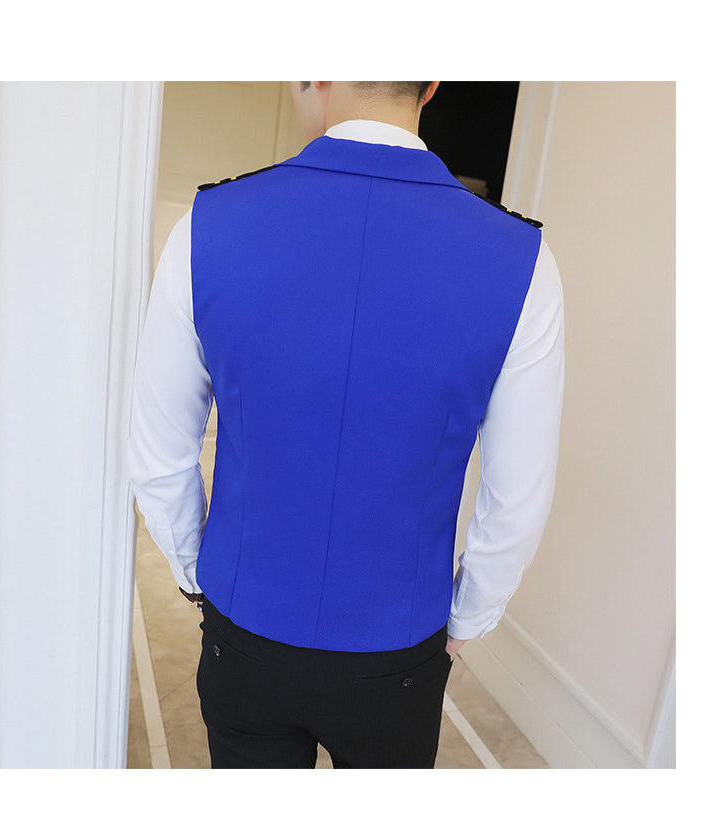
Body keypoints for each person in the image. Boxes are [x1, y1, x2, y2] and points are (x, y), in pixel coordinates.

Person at [127, 81, 565, 769]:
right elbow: (517, 497)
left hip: (246, 629)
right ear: (431, 83)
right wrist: (469, 616)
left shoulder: (207, 224)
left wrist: (194, 573)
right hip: (398, 651)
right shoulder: (523, 260)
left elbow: (158, 456)